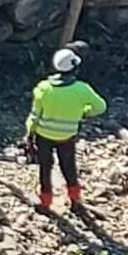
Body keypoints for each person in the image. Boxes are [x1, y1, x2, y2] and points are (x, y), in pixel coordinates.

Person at [24, 46, 106, 214]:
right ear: (74, 67)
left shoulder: (43, 88)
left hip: (44, 136)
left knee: (45, 169)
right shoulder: (82, 89)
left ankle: (45, 203)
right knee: (69, 168)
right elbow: (101, 107)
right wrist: (84, 112)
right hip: (67, 137)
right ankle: (76, 201)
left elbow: (34, 116)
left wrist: (29, 133)